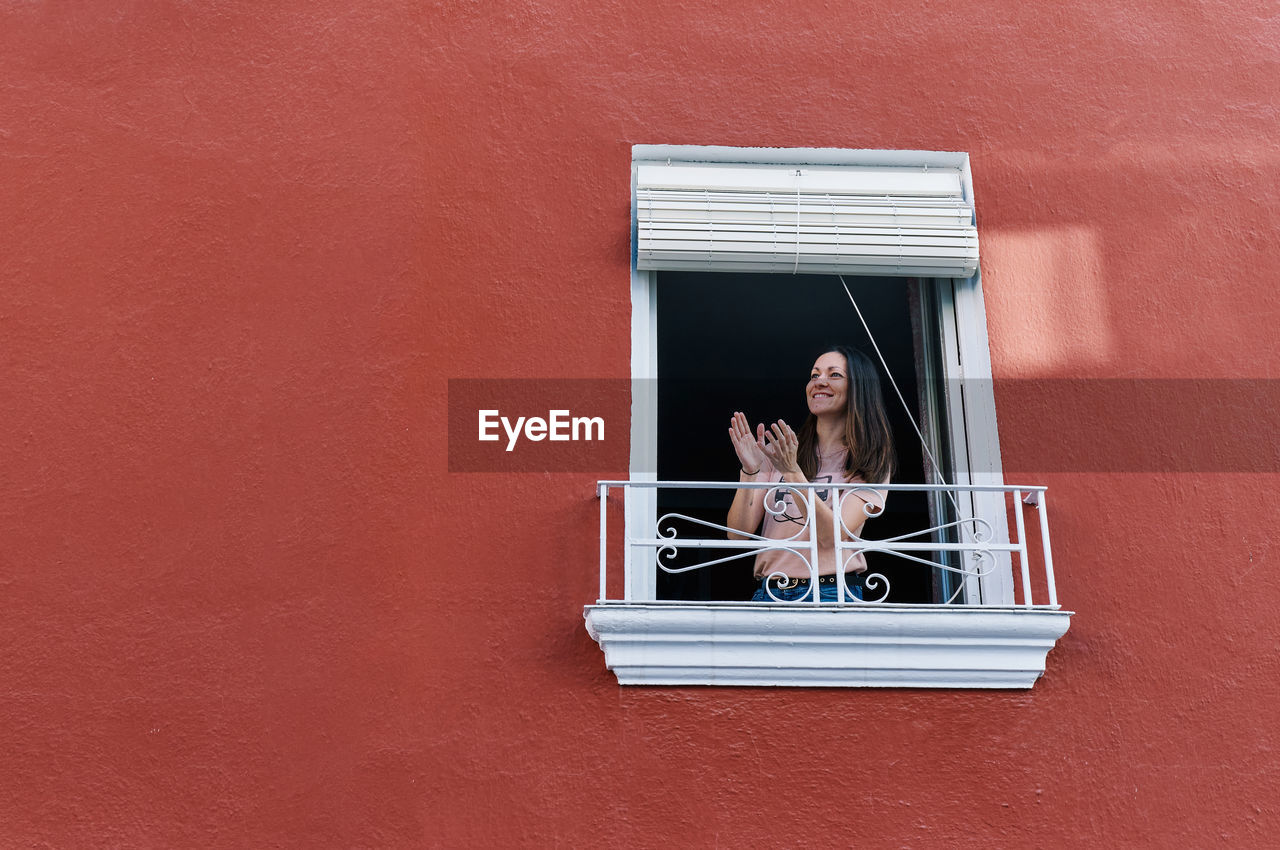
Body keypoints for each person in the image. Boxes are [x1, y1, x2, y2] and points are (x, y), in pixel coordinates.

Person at [726, 346, 895, 602]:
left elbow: (830, 537)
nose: (819, 382)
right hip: (770, 592)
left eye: (834, 375)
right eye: (814, 375)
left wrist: (792, 472)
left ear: (859, 388)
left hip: (833, 592)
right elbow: (738, 535)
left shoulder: (870, 457)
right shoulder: (781, 452)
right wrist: (750, 471)